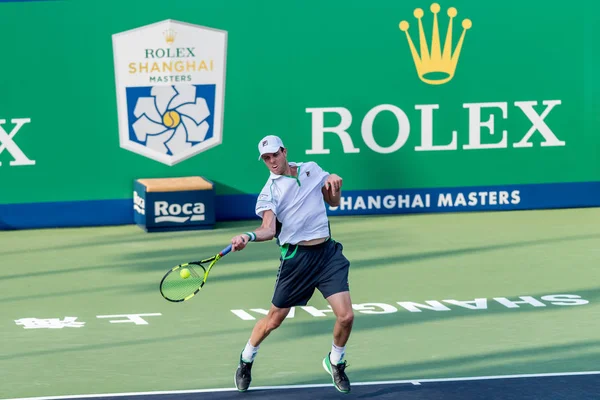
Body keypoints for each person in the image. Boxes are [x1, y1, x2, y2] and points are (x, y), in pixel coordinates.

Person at [230, 135, 354, 394]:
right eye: (266, 158)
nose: (271, 161)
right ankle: (246, 358)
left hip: (327, 254)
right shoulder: (270, 191)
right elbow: (268, 228)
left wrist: (334, 184)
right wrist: (248, 236)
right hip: (297, 260)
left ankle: (335, 361)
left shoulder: (312, 169)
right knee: (274, 320)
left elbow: (333, 202)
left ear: (284, 151)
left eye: (274, 155)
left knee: (346, 316)